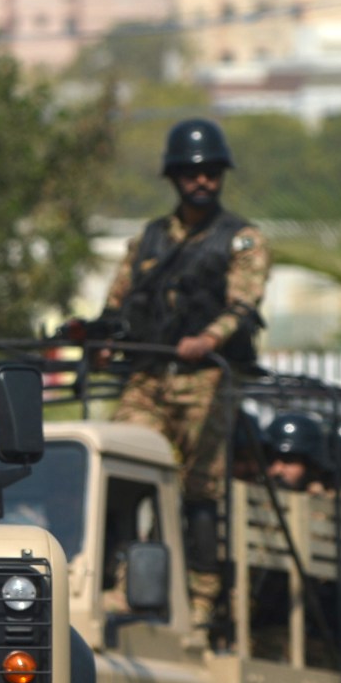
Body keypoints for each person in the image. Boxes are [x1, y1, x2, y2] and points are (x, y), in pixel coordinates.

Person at [99, 118, 270, 629]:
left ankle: (200, 600)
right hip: (149, 377)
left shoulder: (241, 240)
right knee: (122, 468)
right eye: (193, 172)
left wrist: (209, 340)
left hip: (207, 380)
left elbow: (244, 305)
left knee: (200, 491)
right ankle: (118, 582)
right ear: (174, 176)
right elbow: (118, 302)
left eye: (212, 172)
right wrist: (102, 339)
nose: (203, 180)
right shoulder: (149, 239)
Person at [263, 411, 333, 494]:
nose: (277, 470)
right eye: (270, 460)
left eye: (288, 460)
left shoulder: (324, 498)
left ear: (311, 467)